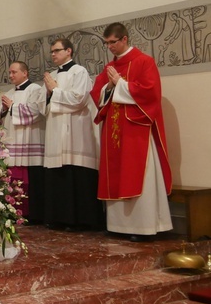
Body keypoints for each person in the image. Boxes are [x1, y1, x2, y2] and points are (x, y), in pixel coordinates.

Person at [91, 23, 172, 241]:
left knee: (137, 173)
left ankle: (142, 227)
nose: (110, 47)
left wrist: (121, 84)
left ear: (124, 39)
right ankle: (118, 225)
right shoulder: (109, 66)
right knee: (115, 174)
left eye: (113, 42)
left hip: (136, 130)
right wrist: (109, 87)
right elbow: (97, 92)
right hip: (114, 132)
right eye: (106, 43)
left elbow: (150, 93)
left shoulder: (144, 61)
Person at [42, 38, 104, 231]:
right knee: (57, 175)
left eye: (57, 50)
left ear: (69, 51)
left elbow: (79, 99)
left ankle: (80, 220)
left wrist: (55, 90)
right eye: (51, 51)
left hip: (75, 131)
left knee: (75, 174)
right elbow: (42, 106)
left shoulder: (80, 71)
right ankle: (59, 218)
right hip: (55, 129)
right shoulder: (51, 74)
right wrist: (48, 94)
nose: (53, 54)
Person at [0, 61, 46, 221]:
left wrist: (12, 107)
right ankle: (14, 212)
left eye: (14, 72)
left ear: (25, 73)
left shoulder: (36, 90)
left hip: (29, 139)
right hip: (13, 140)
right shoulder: (10, 92)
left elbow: (36, 111)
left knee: (29, 179)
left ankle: (31, 214)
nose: (11, 75)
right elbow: (3, 117)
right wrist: (4, 110)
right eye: (10, 72)